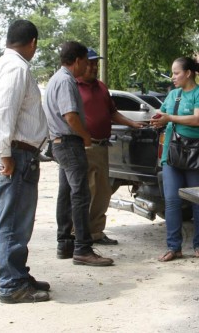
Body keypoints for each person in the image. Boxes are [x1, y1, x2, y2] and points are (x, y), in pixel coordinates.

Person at [0, 19, 51, 303]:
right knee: (12, 223)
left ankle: (18, 274)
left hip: (15, 153)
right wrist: (5, 154)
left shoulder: (1, 66)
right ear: (32, 42)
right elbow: (3, 112)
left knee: (16, 221)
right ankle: (11, 285)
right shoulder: (16, 67)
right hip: (15, 154)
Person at [43, 41, 114, 267]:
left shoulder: (56, 79)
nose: (87, 66)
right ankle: (83, 248)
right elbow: (70, 116)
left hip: (60, 143)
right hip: (69, 142)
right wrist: (85, 136)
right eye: (85, 61)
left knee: (66, 193)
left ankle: (65, 242)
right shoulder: (66, 81)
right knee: (81, 195)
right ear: (76, 61)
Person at [150, 57, 199, 262]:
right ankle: (173, 247)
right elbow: (162, 114)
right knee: (171, 201)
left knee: (198, 202)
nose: (173, 77)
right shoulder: (173, 94)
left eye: (176, 73)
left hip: (196, 154)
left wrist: (169, 118)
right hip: (172, 153)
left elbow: (197, 119)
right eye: (172, 73)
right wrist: (158, 120)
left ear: (188, 73)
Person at [78, 48, 145, 245]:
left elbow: (112, 112)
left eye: (95, 63)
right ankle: (78, 234)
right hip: (83, 147)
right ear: (81, 64)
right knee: (85, 191)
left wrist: (132, 123)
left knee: (102, 192)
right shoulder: (73, 86)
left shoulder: (101, 87)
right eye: (89, 63)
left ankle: (96, 232)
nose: (93, 67)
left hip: (102, 146)